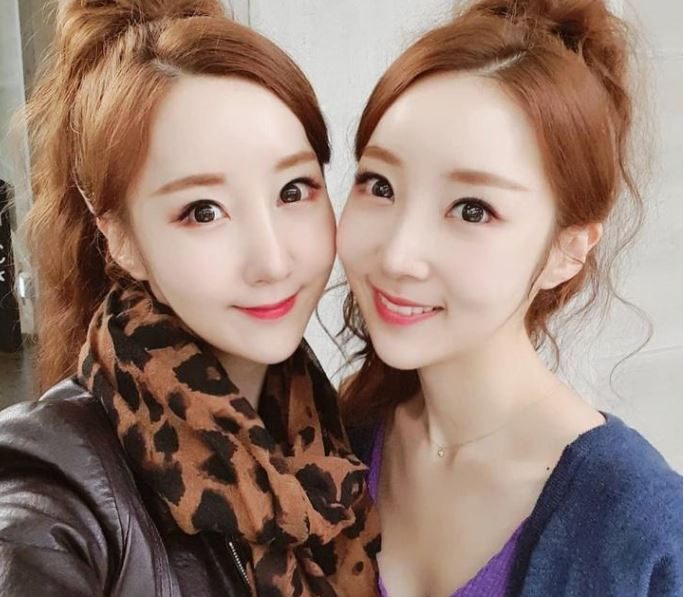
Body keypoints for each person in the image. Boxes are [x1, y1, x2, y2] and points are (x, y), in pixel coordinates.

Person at [0, 1, 379, 595]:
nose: (272, 261)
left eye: (293, 190)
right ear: (121, 238)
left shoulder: (331, 435)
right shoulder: (55, 489)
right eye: (203, 211)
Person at [337, 0, 682, 595]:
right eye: (380, 185)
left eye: (472, 210)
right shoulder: (338, 435)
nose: (396, 255)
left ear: (567, 250)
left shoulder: (640, 525)